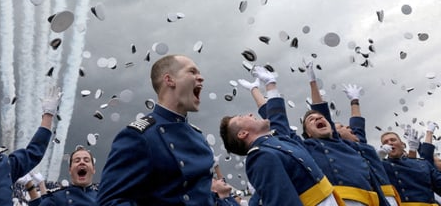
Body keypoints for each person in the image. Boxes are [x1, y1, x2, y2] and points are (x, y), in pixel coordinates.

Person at [97, 54, 221, 205]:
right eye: (192, 72)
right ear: (169, 80)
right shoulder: (139, 136)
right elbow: (110, 201)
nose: (201, 78)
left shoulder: (199, 137)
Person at [220, 65, 340, 206]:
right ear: (242, 134)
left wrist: (271, 84)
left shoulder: (275, 141)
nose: (250, 114)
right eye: (242, 117)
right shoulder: (260, 157)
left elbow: (277, 117)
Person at [302, 63, 380, 206]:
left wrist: (355, 101)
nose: (318, 119)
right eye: (311, 120)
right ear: (307, 133)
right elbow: (321, 111)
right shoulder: (306, 148)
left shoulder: (353, 145)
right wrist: (312, 82)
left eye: (321, 118)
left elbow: (358, 131)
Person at [332, 83, 400, 206]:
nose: (348, 126)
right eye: (341, 126)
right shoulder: (337, 149)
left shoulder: (359, 142)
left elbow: (357, 123)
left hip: (385, 196)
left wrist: (354, 100)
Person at [380, 125, 441, 205]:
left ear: (402, 144)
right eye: (385, 142)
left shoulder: (423, 163)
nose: (390, 143)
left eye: (393, 140)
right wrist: (375, 159)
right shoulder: (382, 167)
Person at [29, 145, 97, 206]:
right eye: (77, 161)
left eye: (86, 160)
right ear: (70, 170)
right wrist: (30, 185)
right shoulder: (56, 199)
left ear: (93, 169)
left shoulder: (103, 198)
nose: (82, 162)